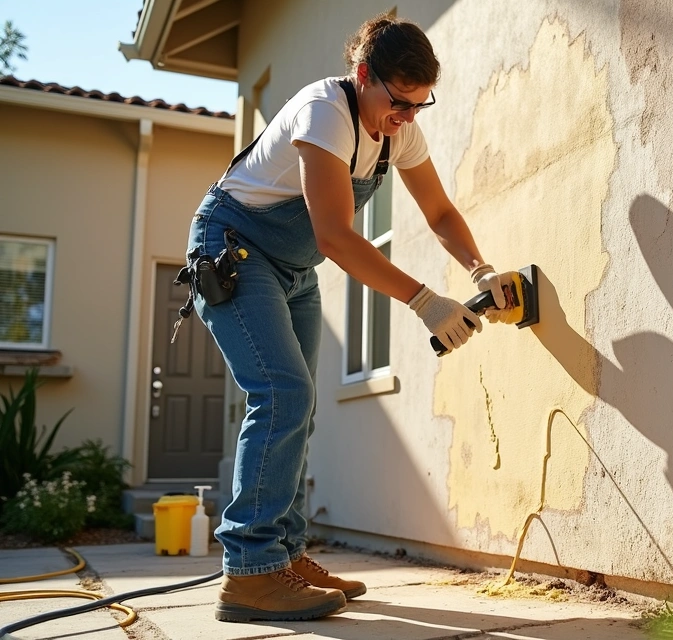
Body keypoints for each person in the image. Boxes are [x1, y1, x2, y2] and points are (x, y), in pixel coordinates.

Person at [182, 13, 510, 622]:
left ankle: (283, 555)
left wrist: (479, 272)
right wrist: (423, 301)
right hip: (232, 247)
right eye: (399, 103)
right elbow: (335, 234)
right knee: (282, 392)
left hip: (290, 267)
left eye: (419, 106)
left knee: (297, 409)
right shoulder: (324, 111)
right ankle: (249, 575)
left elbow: (438, 212)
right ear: (363, 75)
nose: (407, 118)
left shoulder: (397, 131)